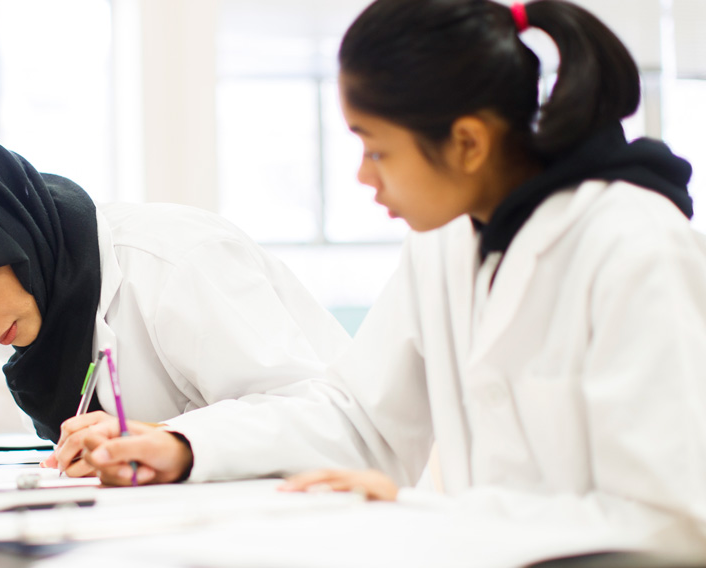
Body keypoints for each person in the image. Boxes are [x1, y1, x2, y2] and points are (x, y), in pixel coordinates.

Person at [78, 0, 706, 551]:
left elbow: (668, 523)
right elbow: (360, 419)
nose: (361, 176)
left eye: (376, 148)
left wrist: (424, 514)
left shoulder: (633, 243)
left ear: (467, 143)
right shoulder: (447, 241)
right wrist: (187, 446)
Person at [0, 132, 355, 478]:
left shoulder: (172, 259)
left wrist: (174, 443)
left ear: (13, 233)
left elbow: (327, 417)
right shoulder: (45, 316)